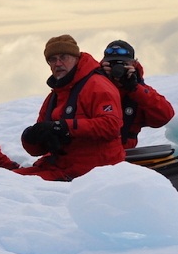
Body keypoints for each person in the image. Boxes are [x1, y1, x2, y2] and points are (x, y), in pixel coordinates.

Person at [15, 34, 125, 181]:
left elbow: (111, 125)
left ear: (76, 58)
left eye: (63, 57)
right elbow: (39, 148)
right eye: (52, 60)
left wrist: (64, 127)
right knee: (6, 181)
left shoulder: (97, 85)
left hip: (93, 173)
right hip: (61, 167)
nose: (58, 63)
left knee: (12, 186)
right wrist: (30, 137)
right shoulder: (55, 96)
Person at [98, 39, 174, 149]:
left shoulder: (140, 90)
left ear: (134, 64)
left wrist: (134, 89)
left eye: (124, 64)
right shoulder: (92, 88)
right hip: (96, 152)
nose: (117, 69)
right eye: (112, 64)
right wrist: (100, 78)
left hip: (126, 153)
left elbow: (164, 116)